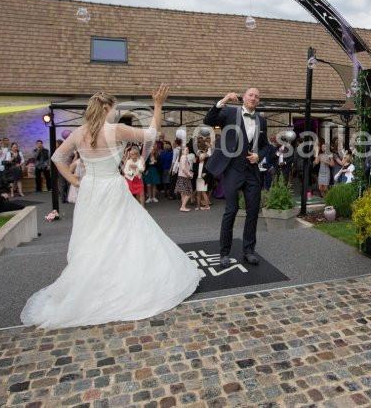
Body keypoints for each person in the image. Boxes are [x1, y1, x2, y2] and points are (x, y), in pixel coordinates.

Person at [20, 86, 201, 329]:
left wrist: (75, 181)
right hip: (112, 189)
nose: (115, 113)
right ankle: (123, 285)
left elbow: (57, 158)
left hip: (90, 191)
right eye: (114, 109)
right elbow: (152, 133)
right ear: (106, 108)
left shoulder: (78, 133)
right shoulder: (116, 130)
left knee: (93, 238)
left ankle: (95, 286)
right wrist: (157, 104)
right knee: (122, 235)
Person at [204, 88, 271, 267]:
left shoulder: (262, 120)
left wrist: (259, 156)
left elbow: (266, 146)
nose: (254, 98)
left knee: (253, 212)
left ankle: (249, 251)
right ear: (243, 98)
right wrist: (224, 99)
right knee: (231, 211)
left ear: (259, 101)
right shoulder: (229, 112)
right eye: (251, 95)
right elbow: (209, 120)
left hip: (252, 171)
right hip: (233, 168)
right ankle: (224, 253)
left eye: (257, 96)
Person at [174, 143, 194, 211]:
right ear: (182, 151)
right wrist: (189, 174)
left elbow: (183, 167)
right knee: (188, 192)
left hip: (181, 176)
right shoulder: (184, 157)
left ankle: (183, 206)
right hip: (184, 177)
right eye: (186, 149)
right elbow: (183, 168)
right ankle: (183, 207)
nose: (187, 150)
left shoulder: (182, 157)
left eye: (188, 149)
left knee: (183, 192)